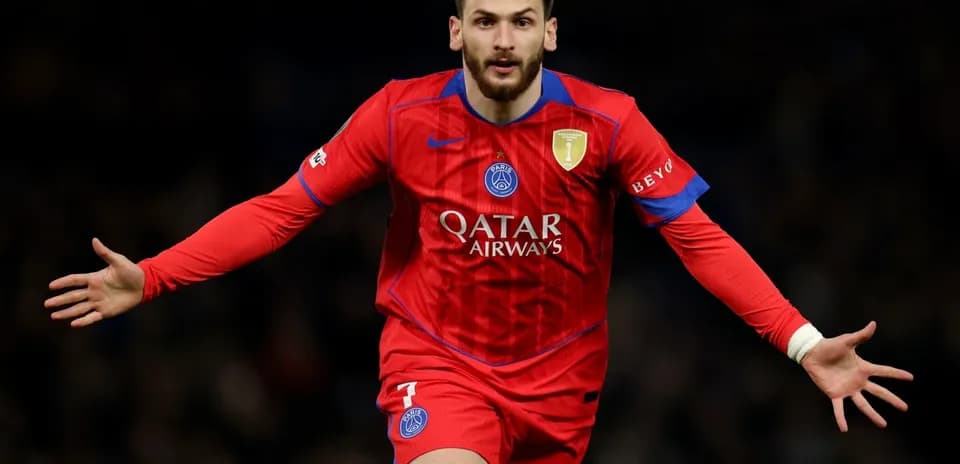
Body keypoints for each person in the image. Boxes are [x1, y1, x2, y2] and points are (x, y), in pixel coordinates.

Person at [44, 0, 914, 463]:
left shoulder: (609, 124)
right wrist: (151, 276)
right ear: (457, 29)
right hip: (437, 358)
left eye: (522, 20)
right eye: (487, 21)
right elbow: (282, 210)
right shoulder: (399, 114)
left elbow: (699, 238)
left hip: (563, 380)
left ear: (550, 30)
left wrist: (803, 344)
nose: (505, 40)